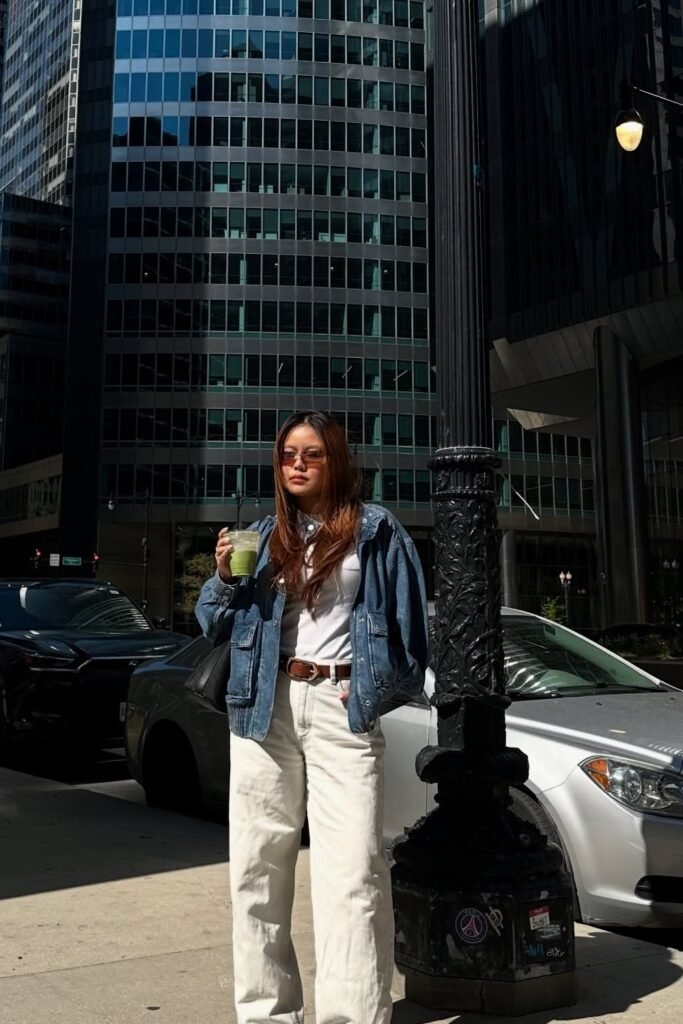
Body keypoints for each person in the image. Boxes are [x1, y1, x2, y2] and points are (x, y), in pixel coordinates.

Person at [195, 410, 429, 1024]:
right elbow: (212, 623)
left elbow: (411, 630)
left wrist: (371, 695)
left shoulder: (376, 532)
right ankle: (269, 1014)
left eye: (312, 454)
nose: (297, 463)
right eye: (288, 455)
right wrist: (222, 579)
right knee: (256, 870)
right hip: (262, 707)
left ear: (336, 461)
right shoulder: (264, 534)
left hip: (340, 708)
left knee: (352, 875)